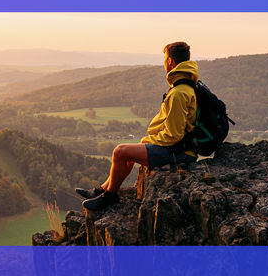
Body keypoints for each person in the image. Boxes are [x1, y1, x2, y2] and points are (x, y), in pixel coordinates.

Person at [77, 41, 199, 211]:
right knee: (128, 152)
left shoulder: (179, 93)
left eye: (165, 59)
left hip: (179, 152)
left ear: (171, 61)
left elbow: (174, 135)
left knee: (120, 151)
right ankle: (101, 190)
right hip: (181, 148)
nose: (164, 63)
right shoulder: (186, 85)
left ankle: (109, 197)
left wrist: (148, 140)